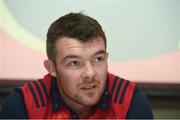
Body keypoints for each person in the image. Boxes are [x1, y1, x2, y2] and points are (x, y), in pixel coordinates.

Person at [0, 12, 153, 119]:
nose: (90, 73)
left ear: (107, 58)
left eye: (98, 59)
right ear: (51, 68)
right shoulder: (23, 105)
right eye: (74, 63)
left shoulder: (130, 100)